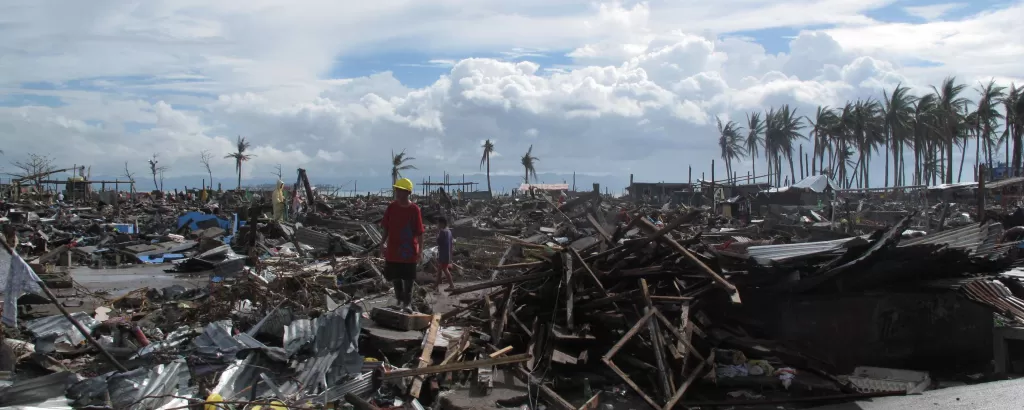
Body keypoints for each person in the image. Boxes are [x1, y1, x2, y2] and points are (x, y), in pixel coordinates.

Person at [381, 178, 424, 313]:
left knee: (409, 278)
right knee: (395, 275)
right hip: (393, 249)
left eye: (400, 190)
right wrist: (382, 243)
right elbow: (386, 228)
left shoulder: (414, 209)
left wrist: (420, 250)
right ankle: (399, 299)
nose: (397, 193)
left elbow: (420, 232)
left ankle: (407, 303)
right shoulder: (392, 207)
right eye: (397, 190)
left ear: (407, 192)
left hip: (409, 249)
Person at [435, 217, 455, 291]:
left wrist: (437, 234)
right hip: (447, 253)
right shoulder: (449, 231)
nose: (438, 225)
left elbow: (438, 242)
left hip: (443, 254)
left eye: (438, 223)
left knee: (445, 269)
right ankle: (436, 285)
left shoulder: (442, 232)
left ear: (442, 223)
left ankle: (452, 285)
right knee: (440, 269)